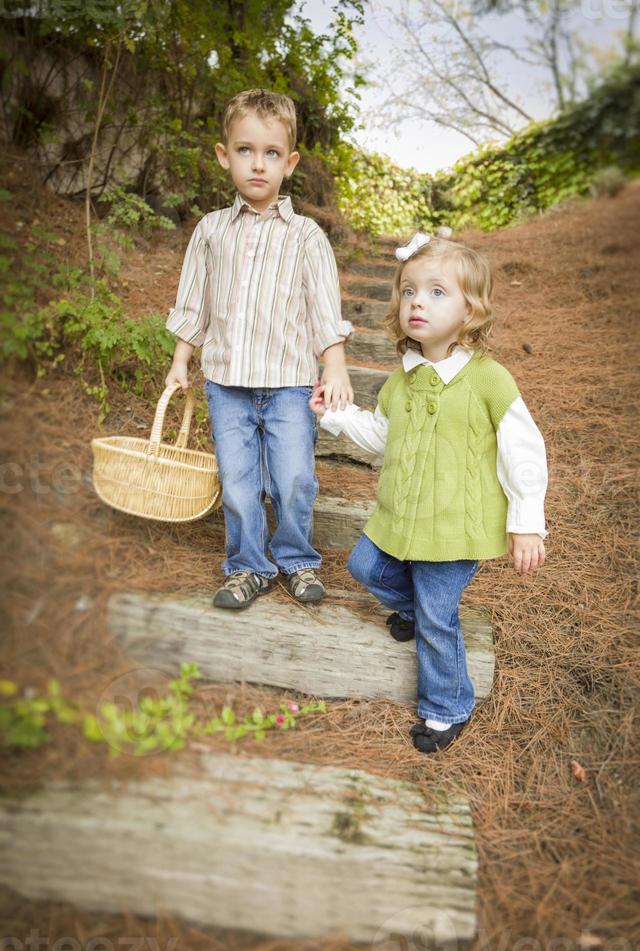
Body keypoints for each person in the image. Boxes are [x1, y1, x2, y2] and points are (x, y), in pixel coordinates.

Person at [310, 231, 548, 754]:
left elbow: (523, 450)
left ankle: (447, 706)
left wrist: (526, 520)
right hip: (400, 516)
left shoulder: (489, 379)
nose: (418, 302)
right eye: (409, 291)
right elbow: (380, 435)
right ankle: (412, 609)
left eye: (437, 292)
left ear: (471, 310)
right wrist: (338, 417)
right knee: (365, 567)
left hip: (456, 528)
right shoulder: (401, 381)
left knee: (441, 618)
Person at [164, 89, 353, 610]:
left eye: (271, 153)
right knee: (239, 481)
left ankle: (296, 559)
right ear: (225, 155)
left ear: (289, 163)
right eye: (245, 150)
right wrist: (182, 359)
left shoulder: (306, 236)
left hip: (290, 381)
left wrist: (333, 362)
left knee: (294, 476)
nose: (257, 163)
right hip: (227, 384)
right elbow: (194, 302)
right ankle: (247, 566)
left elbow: (321, 305)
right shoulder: (210, 231)